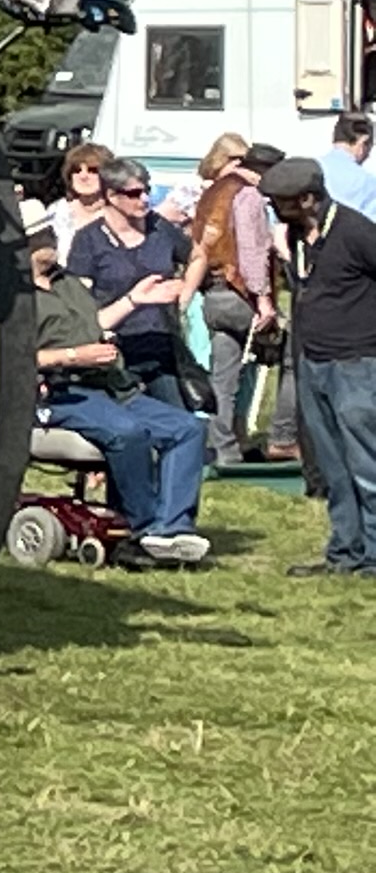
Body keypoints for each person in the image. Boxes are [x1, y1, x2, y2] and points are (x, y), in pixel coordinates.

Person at [26, 201, 212, 566]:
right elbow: (12, 358)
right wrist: (74, 356)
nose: (48, 241)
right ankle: (140, 528)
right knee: (127, 432)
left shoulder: (66, 283)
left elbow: (94, 323)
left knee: (187, 428)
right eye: (38, 236)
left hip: (109, 384)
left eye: (49, 232)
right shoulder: (11, 296)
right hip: (58, 391)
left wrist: (132, 301)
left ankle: (171, 529)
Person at [265, 155, 376, 576]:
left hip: (357, 362)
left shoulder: (355, 232)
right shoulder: (295, 235)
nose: (274, 209)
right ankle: (344, 553)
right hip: (312, 359)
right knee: (333, 466)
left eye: (281, 201)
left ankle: (374, 555)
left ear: (309, 199)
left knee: (367, 463)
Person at [67, 159, 193, 396]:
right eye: (134, 193)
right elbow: (76, 301)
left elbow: (198, 256)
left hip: (162, 346)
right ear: (111, 196)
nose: (144, 199)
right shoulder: (88, 240)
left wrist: (187, 289)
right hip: (117, 351)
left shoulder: (160, 227)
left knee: (182, 425)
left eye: (147, 190)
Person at [187, 133, 281, 449]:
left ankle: (222, 446)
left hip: (213, 294)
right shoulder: (248, 195)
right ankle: (284, 434)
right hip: (239, 293)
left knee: (223, 378)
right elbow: (251, 249)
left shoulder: (213, 191)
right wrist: (264, 299)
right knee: (295, 352)